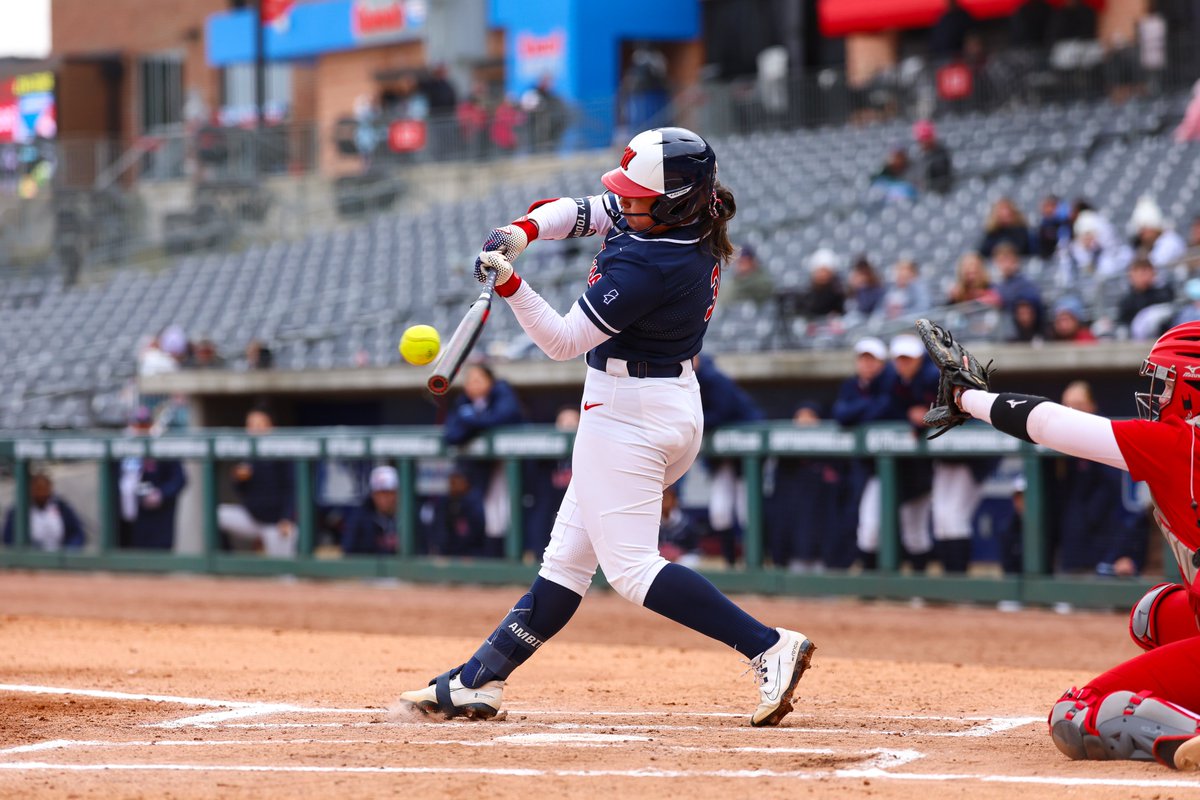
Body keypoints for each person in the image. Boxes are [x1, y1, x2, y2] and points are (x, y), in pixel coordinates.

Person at [398, 127, 815, 726]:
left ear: (673, 201)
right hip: (661, 403)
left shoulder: (653, 262)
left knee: (631, 569)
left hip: (628, 414)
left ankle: (767, 645)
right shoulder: (683, 216)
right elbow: (584, 209)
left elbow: (563, 341)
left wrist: (511, 283)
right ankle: (477, 680)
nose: (625, 202)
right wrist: (524, 230)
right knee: (566, 561)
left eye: (639, 197)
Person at [919, 318, 1200, 771]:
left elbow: (1049, 423)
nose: (1157, 394)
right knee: (1153, 614)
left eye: (1167, 382)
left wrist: (966, 397)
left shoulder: (1179, 443)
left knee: (1076, 712)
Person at [443, 362, 524, 557]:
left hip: (514, 465)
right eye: (469, 380)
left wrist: (471, 421)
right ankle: (490, 555)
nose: (473, 384)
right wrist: (479, 421)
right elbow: (451, 435)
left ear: (490, 381)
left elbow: (503, 417)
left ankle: (517, 555)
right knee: (486, 514)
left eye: (478, 379)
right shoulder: (463, 401)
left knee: (511, 511)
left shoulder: (502, 392)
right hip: (482, 468)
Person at [694, 354, 765, 565]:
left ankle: (753, 562)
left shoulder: (714, 378)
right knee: (720, 510)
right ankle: (730, 562)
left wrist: (693, 421)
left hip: (746, 447)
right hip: (723, 458)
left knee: (747, 511)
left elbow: (721, 413)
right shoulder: (684, 378)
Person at [831, 338, 892, 569]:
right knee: (867, 527)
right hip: (865, 467)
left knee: (909, 529)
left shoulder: (891, 382)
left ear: (882, 363)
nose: (867, 364)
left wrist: (861, 411)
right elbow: (841, 414)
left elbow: (884, 409)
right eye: (863, 359)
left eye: (872, 359)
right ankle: (871, 579)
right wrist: (867, 407)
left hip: (898, 467)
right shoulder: (851, 385)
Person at [217, 406, 297, 557]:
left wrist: (287, 518)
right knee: (216, 515)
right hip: (251, 519)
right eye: (251, 425)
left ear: (271, 427)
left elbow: (292, 489)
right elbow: (242, 492)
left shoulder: (283, 452)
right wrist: (238, 480)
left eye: (260, 424)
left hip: (276, 523)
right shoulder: (248, 453)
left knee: (283, 568)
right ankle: (227, 560)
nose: (255, 429)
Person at [117, 406, 187, 551]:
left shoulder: (162, 445)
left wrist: (161, 494)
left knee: (155, 555)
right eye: (138, 425)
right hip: (125, 519)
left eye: (145, 425)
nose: (141, 430)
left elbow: (180, 479)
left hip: (157, 520)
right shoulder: (121, 445)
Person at [3, 472, 86, 551]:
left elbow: (78, 533)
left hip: (58, 554)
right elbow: (8, 538)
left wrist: (70, 549)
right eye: (37, 489)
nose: (41, 494)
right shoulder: (19, 511)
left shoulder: (62, 507)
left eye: (44, 489)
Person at [342, 465, 400, 555]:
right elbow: (349, 551)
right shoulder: (360, 518)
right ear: (373, 494)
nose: (384, 499)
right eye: (379, 493)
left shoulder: (409, 517)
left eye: (389, 493)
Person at [1117, 256, 1174, 333]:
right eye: (1140, 273)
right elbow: (1123, 323)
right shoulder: (1126, 301)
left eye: (1147, 272)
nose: (1144, 277)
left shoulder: (1163, 293)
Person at [658, 484, 701, 566]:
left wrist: (679, 553)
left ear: (675, 500)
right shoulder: (652, 522)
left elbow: (694, 551)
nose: (664, 502)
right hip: (658, 560)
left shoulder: (686, 523)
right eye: (661, 498)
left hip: (681, 560)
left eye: (667, 498)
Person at [911, 120, 953, 194]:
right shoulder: (920, 154)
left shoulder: (941, 154)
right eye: (921, 140)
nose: (924, 142)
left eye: (926, 138)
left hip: (939, 192)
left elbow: (941, 178)